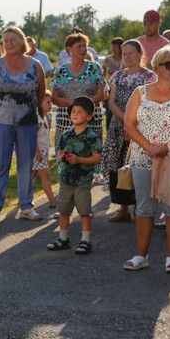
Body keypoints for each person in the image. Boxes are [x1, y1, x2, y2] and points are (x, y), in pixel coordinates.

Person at [121, 46, 170, 273]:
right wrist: (148, 146)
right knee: (144, 207)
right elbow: (129, 124)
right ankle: (141, 255)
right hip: (144, 158)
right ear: (156, 67)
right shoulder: (140, 92)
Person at [0, 26, 48, 223]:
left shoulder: (35, 65)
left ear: (22, 41)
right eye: (5, 40)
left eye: (13, 39)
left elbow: (41, 94)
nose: (9, 43)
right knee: (0, 165)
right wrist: (1, 104)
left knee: (26, 165)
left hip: (28, 122)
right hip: (2, 122)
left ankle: (26, 206)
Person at [101, 40, 156, 223]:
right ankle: (123, 209)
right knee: (117, 167)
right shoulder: (117, 76)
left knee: (139, 167)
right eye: (124, 53)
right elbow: (111, 103)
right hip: (119, 126)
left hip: (141, 128)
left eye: (130, 53)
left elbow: (149, 104)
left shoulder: (149, 77)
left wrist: (133, 126)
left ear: (140, 54)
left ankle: (138, 210)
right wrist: (127, 122)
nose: (127, 57)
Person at [46, 97, 102, 254]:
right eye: (73, 111)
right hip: (65, 180)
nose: (75, 114)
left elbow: (97, 158)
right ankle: (63, 239)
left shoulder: (92, 137)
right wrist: (62, 156)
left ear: (89, 116)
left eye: (80, 111)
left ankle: (85, 240)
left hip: (82, 181)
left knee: (84, 211)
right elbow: (59, 151)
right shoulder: (65, 135)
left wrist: (78, 160)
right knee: (64, 210)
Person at [49, 32, 105, 136]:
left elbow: (101, 94)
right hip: (65, 124)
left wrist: (82, 105)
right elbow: (54, 98)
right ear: (69, 49)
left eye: (85, 46)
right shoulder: (60, 71)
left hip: (91, 123)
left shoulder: (94, 68)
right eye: (79, 46)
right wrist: (70, 102)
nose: (83, 49)